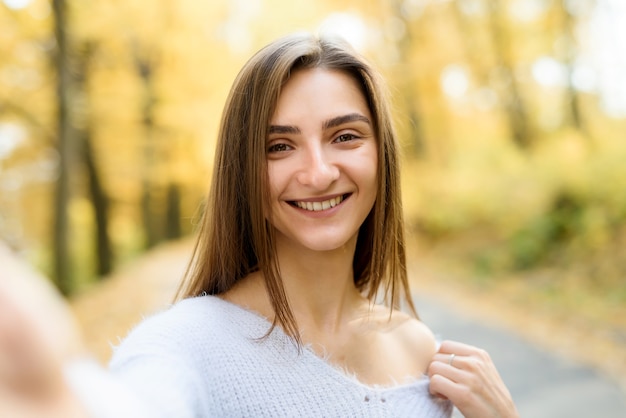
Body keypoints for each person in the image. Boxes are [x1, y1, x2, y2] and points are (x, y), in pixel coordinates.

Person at [0, 32, 519, 417]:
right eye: (279, 147)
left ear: (383, 155)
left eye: (345, 137)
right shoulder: (181, 347)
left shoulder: (419, 349)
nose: (318, 172)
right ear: (242, 171)